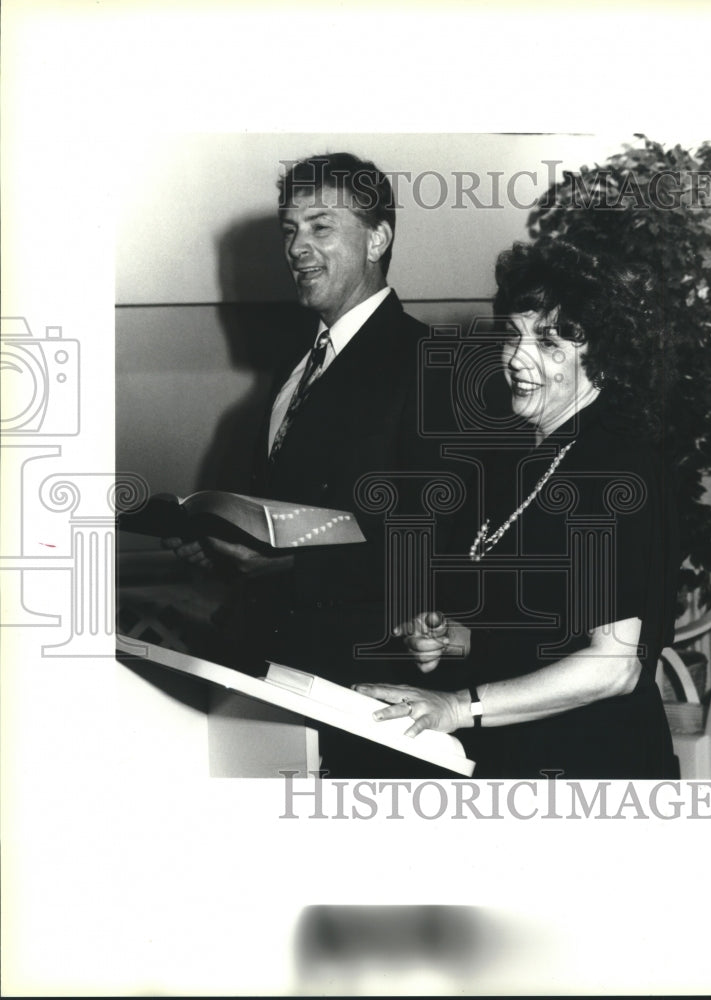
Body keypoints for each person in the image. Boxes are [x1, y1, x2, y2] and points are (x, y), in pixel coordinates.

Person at [164, 152, 463, 777]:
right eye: (289, 229)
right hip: (273, 677)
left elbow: (440, 543)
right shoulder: (294, 369)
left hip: (369, 691)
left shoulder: (430, 364)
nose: (298, 246)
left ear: (377, 238)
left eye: (322, 226)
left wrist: (286, 570)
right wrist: (219, 542)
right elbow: (279, 511)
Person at [357, 237, 681, 779]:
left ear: (603, 358)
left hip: (594, 771)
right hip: (516, 759)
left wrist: (459, 706)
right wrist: (455, 638)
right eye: (514, 333)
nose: (516, 357)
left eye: (550, 342)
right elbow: (540, 632)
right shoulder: (518, 455)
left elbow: (614, 666)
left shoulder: (618, 464)